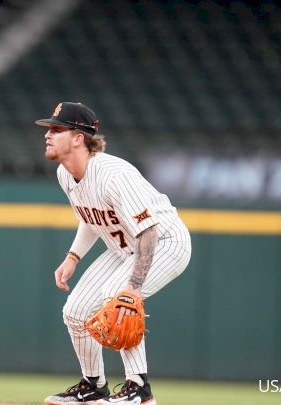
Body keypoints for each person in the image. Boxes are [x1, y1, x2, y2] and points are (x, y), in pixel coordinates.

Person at [36, 102, 191, 405]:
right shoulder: (64, 174)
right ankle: (93, 385)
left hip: (165, 242)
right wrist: (73, 257)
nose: (47, 135)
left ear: (79, 138)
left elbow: (149, 231)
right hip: (124, 249)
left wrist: (131, 289)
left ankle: (138, 390)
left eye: (56, 129)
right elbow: (91, 217)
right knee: (75, 312)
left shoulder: (113, 174)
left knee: (117, 298)